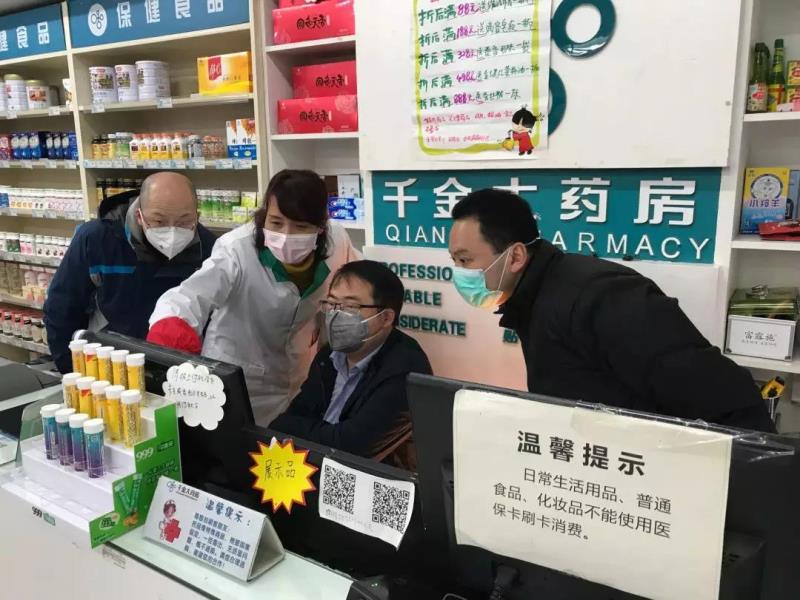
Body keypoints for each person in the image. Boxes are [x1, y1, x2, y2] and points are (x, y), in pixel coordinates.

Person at [447, 188, 775, 432]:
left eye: (465, 260)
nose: (460, 273)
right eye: (455, 261)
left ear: (516, 257)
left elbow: (721, 396)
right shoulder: (532, 299)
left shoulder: (599, 296)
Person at [147, 169, 359, 425]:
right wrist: (171, 331)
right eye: (276, 223)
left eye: (301, 227)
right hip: (239, 380)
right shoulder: (237, 249)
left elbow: (359, 281)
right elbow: (189, 297)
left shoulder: (337, 241)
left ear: (321, 227)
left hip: (300, 376)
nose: (286, 235)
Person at [44, 172, 216, 374]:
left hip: (178, 370)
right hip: (110, 365)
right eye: (159, 221)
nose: (172, 232)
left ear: (197, 216)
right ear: (139, 216)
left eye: (184, 222)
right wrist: (74, 372)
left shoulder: (210, 249)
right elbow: (61, 309)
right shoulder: (97, 240)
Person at [271, 261, 432, 468]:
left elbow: (351, 445)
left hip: (372, 477)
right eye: (332, 304)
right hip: (314, 466)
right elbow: (291, 416)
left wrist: (296, 428)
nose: (336, 315)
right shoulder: (329, 355)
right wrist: (296, 427)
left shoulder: (407, 366)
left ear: (385, 318)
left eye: (350, 307)